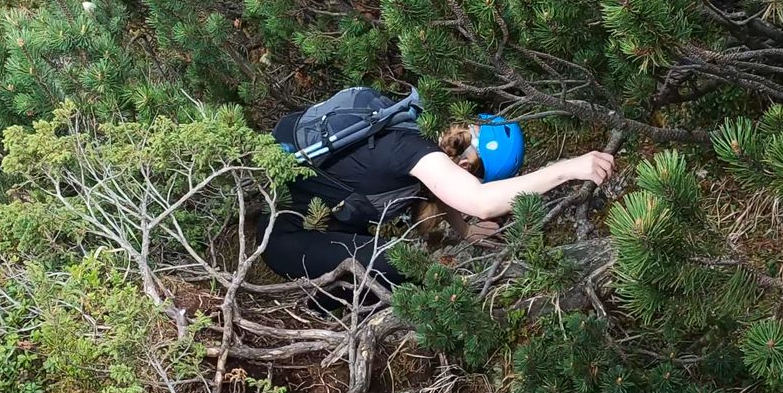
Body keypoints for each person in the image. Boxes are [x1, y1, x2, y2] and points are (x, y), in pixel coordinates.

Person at [261, 106, 616, 293]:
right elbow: (481, 202)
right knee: (403, 267)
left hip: (295, 224)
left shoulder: (414, 132)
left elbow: (439, 190)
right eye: (471, 174)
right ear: (463, 165)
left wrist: (465, 232)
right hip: (283, 238)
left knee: (394, 259)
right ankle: (328, 312)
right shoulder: (410, 150)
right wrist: (567, 168)